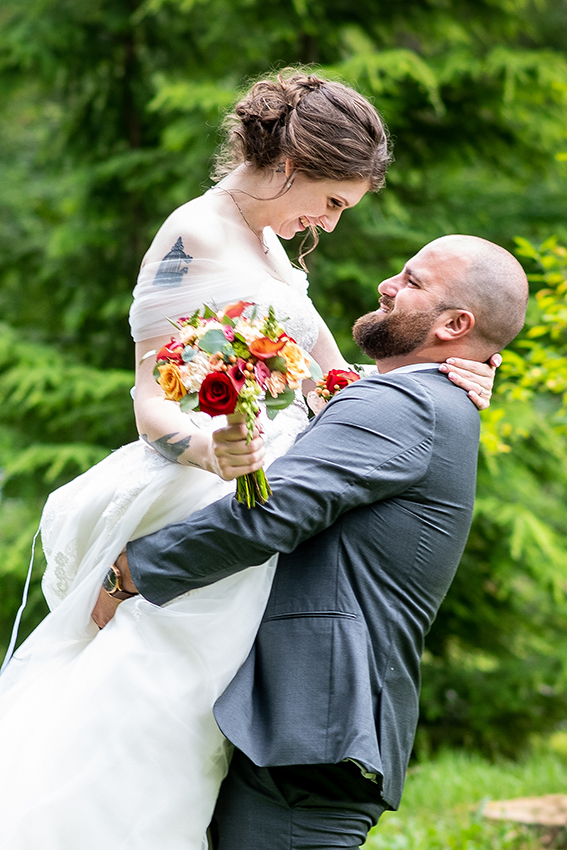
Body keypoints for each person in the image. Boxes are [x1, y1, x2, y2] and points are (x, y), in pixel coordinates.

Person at [0, 66, 496, 850]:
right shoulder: (192, 233)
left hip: (268, 506)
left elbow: (334, 382)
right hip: (213, 494)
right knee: (145, 714)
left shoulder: (271, 242)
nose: (329, 226)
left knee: (207, 734)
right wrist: (211, 448)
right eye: (332, 202)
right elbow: (148, 397)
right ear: (293, 166)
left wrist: (449, 365)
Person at [103, 234, 529, 850]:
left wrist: (131, 573)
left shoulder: (408, 403)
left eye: (412, 282)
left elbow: (270, 512)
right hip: (296, 724)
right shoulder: (421, 395)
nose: (388, 284)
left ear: (455, 323)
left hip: (312, 729)